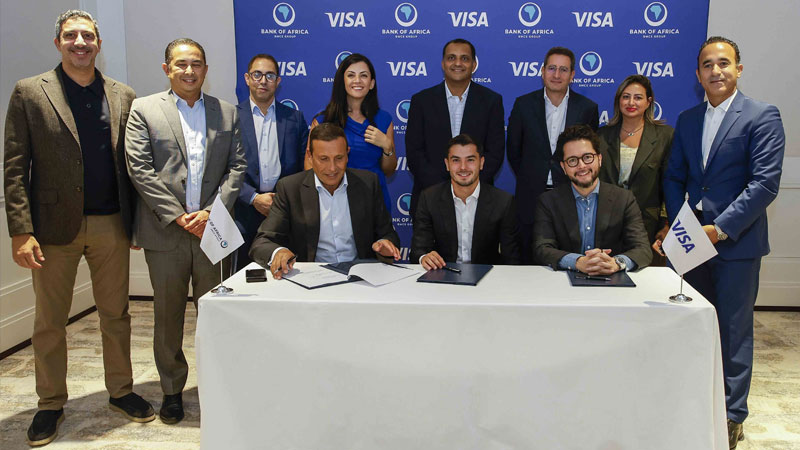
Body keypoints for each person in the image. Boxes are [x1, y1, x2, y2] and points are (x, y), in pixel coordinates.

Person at [3, 10, 154, 446]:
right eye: (71, 36)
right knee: (50, 321)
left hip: (111, 222)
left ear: (99, 43)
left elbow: (134, 165)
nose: (80, 42)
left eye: (88, 35)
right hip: (51, 227)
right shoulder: (30, 92)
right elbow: (15, 166)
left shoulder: (123, 94)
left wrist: (138, 223)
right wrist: (20, 229)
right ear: (59, 44)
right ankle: (50, 403)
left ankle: (121, 391)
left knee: (116, 315)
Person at [660, 36, 785, 449]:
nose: (716, 71)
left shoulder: (762, 116)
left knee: (733, 334)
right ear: (697, 75)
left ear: (739, 69)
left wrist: (719, 228)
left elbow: (764, 184)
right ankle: (693, 403)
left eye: (724, 63)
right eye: (708, 65)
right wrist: (684, 226)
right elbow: (675, 175)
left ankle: (732, 417)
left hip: (737, 245)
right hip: (691, 244)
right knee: (693, 326)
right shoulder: (688, 118)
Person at [125, 38, 246, 425]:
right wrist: (179, 216)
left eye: (196, 64)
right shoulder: (143, 110)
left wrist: (210, 212)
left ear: (206, 70)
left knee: (213, 312)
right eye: (181, 64)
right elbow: (139, 168)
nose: (189, 71)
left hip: (213, 231)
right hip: (166, 233)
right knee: (168, 314)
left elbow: (237, 167)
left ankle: (217, 384)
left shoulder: (227, 113)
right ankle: (172, 391)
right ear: (167, 69)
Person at [250, 123, 401, 278]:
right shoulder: (290, 188)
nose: (332, 168)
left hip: (361, 277)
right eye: (324, 159)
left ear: (347, 154)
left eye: (339, 158)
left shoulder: (368, 183)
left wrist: (385, 243)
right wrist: (278, 252)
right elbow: (262, 242)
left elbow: (388, 233)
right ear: (309, 155)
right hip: (311, 278)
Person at [507, 46, 599, 264]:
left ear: (572, 75)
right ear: (542, 71)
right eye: (552, 68)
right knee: (529, 260)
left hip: (570, 194)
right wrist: (533, 175)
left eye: (563, 70)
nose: (556, 75)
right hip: (531, 196)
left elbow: (589, 155)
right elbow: (513, 150)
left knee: (567, 259)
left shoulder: (587, 108)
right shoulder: (523, 104)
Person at [406, 38, 505, 217]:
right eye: (451, 58)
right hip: (431, 198)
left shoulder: (492, 101)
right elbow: (414, 152)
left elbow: (495, 152)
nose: (458, 63)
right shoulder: (421, 101)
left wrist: (468, 187)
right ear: (443, 63)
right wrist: (444, 190)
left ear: (474, 64)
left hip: (478, 198)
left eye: (464, 58)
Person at [533, 125, 651, 273]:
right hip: (563, 283)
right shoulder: (548, 201)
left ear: (599, 159)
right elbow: (542, 248)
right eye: (572, 160)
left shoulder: (624, 199)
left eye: (587, 157)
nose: (581, 166)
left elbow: (643, 249)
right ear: (563, 167)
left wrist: (616, 263)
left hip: (612, 281)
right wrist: (577, 262)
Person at [233, 53, 308, 272]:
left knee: (286, 274)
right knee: (245, 281)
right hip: (244, 212)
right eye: (257, 74)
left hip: (284, 212)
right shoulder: (231, 117)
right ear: (247, 78)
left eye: (270, 75)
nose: (263, 80)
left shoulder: (294, 118)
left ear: (278, 81)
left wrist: (283, 200)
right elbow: (224, 168)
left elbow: (304, 167)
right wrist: (254, 198)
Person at [411, 134, 520, 269]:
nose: (463, 167)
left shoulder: (503, 202)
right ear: (447, 164)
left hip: (487, 280)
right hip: (443, 277)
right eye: (456, 160)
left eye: (470, 160)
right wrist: (424, 258)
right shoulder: (429, 198)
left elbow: (511, 258)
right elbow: (419, 249)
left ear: (481, 163)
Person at [597, 75, 673, 263]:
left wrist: (666, 223)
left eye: (638, 97)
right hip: (606, 226)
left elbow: (670, 184)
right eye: (626, 96)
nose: (631, 102)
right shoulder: (600, 135)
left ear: (648, 102)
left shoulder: (665, 136)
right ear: (618, 101)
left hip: (648, 227)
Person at [309, 53, 395, 209]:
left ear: (372, 83)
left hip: (374, 201)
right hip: (333, 200)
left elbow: (389, 171)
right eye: (351, 75)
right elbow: (309, 168)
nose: (357, 81)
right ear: (342, 81)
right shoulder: (323, 121)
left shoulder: (384, 119)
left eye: (363, 76)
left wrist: (387, 147)